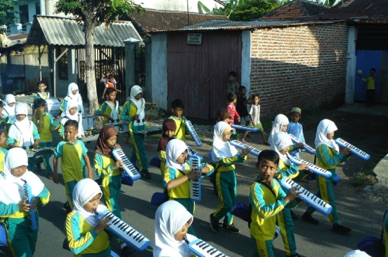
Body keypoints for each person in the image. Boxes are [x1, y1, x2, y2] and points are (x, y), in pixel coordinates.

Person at [301, 119, 352, 235]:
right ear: (324, 131)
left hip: (330, 174)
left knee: (321, 197)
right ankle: (336, 224)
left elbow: (337, 161)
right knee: (330, 200)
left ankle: (307, 214)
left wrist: (347, 155)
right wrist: (341, 154)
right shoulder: (321, 147)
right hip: (323, 176)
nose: (333, 133)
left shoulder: (331, 144)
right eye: (331, 131)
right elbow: (329, 162)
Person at [0, 147, 50, 257]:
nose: (21, 170)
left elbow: (45, 194)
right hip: (14, 224)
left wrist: (38, 201)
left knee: (31, 250)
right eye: (17, 167)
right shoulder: (2, 183)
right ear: (9, 165)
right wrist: (17, 206)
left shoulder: (30, 177)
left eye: (24, 166)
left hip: (33, 220)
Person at [249, 149, 298, 257]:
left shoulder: (275, 183)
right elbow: (263, 212)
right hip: (261, 232)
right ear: (258, 166)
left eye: (271, 168)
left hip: (269, 230)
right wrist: (286, 199)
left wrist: (296, 200)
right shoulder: (256, 187)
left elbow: (286, 204)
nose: (267, 171)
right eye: (264, 166)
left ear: (277, 169)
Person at [164, 138, 213, 235]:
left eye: (186, 152)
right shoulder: (170, 169)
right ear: (173, 153)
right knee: (189, 233)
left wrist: (200, 170)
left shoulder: (187, 165)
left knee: (182, 231)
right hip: (177, 203)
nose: (185, 156)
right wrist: (188, 176)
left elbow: (210, 168)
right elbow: (168, 185)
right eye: (181, 153)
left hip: (190, 201)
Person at [270, 132, 307, 257]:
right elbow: (280, 175)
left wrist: (302, 170)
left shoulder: (282, 155)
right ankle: (291, 253)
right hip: (280, 196)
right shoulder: (275, 159)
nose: (288, 149)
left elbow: (288, 173)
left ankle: (264, 242)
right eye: (286, 146)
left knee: (273, 223)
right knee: (287, 225)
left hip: (285, 193)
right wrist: (297, 168)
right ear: (280, 145)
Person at [209, 121, 249, 233]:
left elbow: (239, 158)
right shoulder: (216, 147)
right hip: (222, 176)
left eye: (230, 134)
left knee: (233, 200)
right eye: (226, 134)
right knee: (227, 203)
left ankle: (228, 222)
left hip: (232, 175)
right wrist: (239, 157)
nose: (229, 136)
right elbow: (225, 162)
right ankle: (215, 217)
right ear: (219, 134)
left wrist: (243, 155)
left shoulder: (229, 145)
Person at [53, 120, 93, 211]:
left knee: (80, 192)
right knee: (71, 192)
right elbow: (55, 158)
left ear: (76, 132)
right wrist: (55, 173)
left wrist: (90, 172)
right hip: (68, 173)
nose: (67, 134)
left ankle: (72, 205)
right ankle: (74, 210)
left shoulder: (80, 144)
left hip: (80, 172)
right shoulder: (61, 145)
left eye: (70, 132)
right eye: (65, 132)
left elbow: (86, 156)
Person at [66, 178, 112, 257]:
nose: (96, 203)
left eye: (98, 198)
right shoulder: (73, 219)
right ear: (81, 200)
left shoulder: (100, 209)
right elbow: (74, 247)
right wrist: (96, 230)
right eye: (91, 201)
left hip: (106, 252)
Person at [120, 85, 155, 179]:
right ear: (133, 93)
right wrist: (131, 118)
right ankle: (144, 168)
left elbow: (142, 111)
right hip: (134, 129)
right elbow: (121, 116)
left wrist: (146, 117)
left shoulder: (143, 101)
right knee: (141, 149)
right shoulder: (128, 103)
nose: (140, 95)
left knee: (137, 148)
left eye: (141, 93)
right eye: (138, 94)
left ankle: (130, 165)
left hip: (142, 127)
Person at [7, 103, 41, 173]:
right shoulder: (13, 126)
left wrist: (36, 143)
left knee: (30, 169)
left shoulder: (31, 124)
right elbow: (9, 142)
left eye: (22, 114)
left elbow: (36, 136)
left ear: (25, 113)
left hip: (31, 151)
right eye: (18, 115)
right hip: (18, 153)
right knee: (22, 170)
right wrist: (16, 147)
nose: (20, 116)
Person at [32, 98, 60, 178]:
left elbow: (52, 127)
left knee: (50, 154)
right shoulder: (34, 119)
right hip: (41, 140)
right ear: (35, 108)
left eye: (42, 107)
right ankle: (49, 173)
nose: (41, 109)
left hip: (49, 138)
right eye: (38, 107)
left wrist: (57, 123)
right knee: (45, 157)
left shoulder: (48, 115)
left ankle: (37, 161)